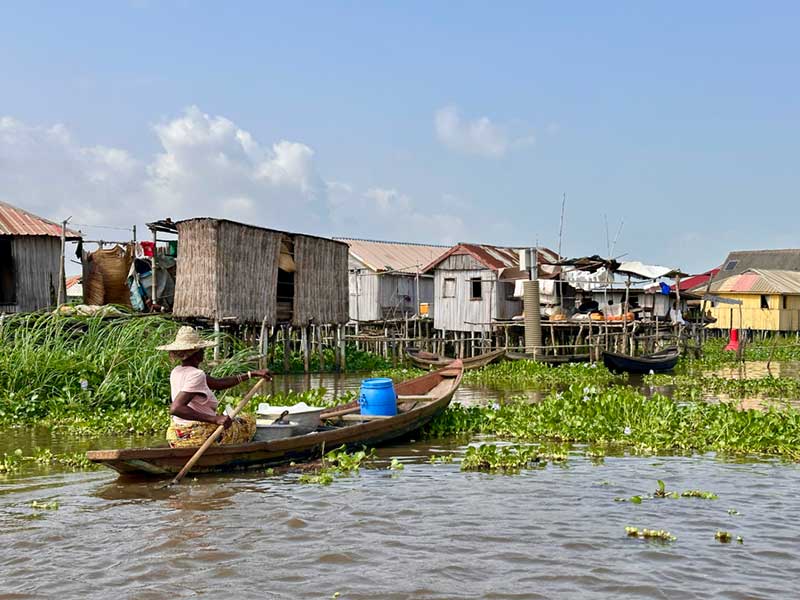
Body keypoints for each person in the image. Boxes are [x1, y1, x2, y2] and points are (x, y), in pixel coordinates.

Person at [157, 326, 272, 448]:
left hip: (177, 435)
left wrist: (251, 374)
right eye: (202, 349)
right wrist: (214, 419)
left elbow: (219, 384)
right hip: (197, 435)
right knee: (248, 421)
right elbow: (176, 408)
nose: (204, 352)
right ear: (196, 353)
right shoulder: (196, 375)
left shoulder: (177, 371)